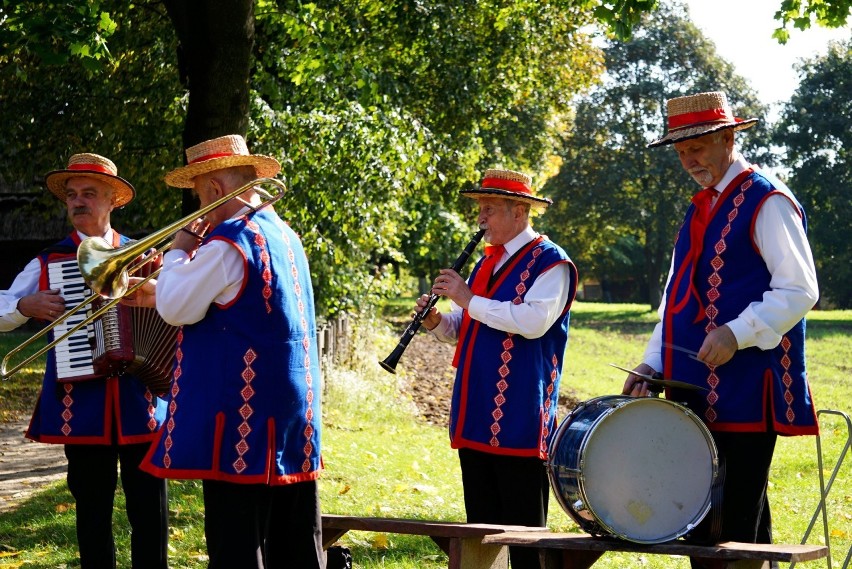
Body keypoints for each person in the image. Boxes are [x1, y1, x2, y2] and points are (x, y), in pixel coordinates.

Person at [622, 91, 819, 564]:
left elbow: (800, 290)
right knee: (701, 516)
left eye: (698, 146)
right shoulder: (697, 208)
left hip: (748, 388)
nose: (689, 159)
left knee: (733, 526)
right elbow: (676, 297)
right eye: (681, 150)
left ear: (730, 137)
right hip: (692, 386)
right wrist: (652, 360)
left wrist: (738, 331)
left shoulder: (767, 200)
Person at [123, 134, 324, 569]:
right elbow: (242, 305)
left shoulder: (227, 240)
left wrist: (177, 253)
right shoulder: (284, 234)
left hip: (240, 418)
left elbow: (178, 308)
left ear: (215, 188)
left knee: (237, 542)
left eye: (199, 196)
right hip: (291, 413)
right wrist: (160, 291)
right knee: (293, 539)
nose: (199, 209)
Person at [0, 153, 169, 568]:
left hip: (140, 399)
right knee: (91, 509)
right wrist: (26, 303)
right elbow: (2, 307)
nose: (78, 202)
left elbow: (180, 310)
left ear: (113, 200)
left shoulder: (144, 256)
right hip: (83, 406)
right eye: (72, 195)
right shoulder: (50, 261)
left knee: (150, 508)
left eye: (89, 194)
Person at [414, 168, 577, 569]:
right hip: (476, 412)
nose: (480, 218)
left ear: (519, 211)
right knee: (481, 531)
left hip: (519, 411)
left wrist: (468, 299)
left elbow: (531, 322)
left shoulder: (551, 262)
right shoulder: (487, 262)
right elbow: (468, 324)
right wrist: (438, 322)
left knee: (524, 536)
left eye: (489, 209)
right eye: (479, 210)